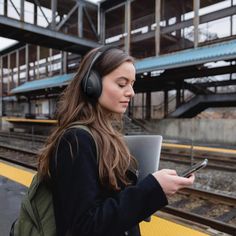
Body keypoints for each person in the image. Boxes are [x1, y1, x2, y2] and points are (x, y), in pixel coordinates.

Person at [38, 46, 195, 236]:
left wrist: (147, 186)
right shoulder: (76, 141)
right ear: (92, 84)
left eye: (132, 84)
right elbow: (85, 227)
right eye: (122, 84)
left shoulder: (104, 135)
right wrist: (152, 189)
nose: (131, 92)